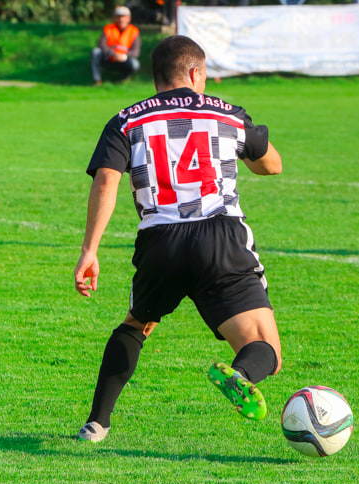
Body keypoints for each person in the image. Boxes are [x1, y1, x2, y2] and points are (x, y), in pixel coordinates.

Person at [74, 35, 283, 442]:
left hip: (160, 241)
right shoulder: (227, 113)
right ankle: (240, 374)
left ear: (156, 79)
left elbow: (106, 180)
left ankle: (97, 423)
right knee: (265, 348)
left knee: (138, 323)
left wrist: (90, 251)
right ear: (195, 72)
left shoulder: (127, 119)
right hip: (220, 237)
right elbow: (271, 164)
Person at [91, 6, 140, 86]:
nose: (121, 19)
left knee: (135, 64)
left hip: (124, 60)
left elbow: (136, 52)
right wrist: (113, 54)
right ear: (115, 18)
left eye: (124, 17)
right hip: (108, 58)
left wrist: (125, 56)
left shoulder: (134, 31)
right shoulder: (108, 29)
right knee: (95, 52)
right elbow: (101, 45)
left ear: (129, 18)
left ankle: (123, 79)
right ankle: (97, 80)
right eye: (119, 17)